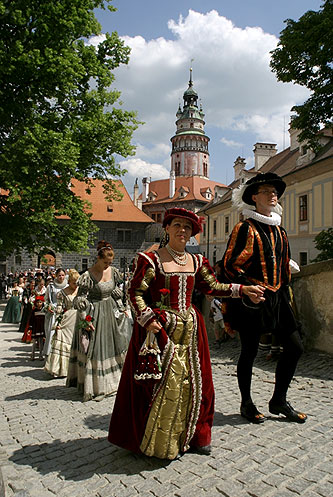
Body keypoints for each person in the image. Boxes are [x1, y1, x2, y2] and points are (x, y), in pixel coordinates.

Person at [108, 207, 264, 460]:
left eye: (188, 227)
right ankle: (154, 440)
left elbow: (213, 287)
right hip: (159, 331)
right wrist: (148, 319)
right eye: (177, 225)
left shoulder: (196, 261)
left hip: (191, 331)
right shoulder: (151, 259)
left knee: (195, 383)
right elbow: (135, 292)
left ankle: (193, 435)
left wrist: (243, 289)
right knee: (158, 384)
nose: (182, 231)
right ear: (167, 228)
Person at [222, 172, 307, 424]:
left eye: (275, 192)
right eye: (267, 192)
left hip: (278, 296)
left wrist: (286, 266)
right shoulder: (244, 228)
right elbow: (229, 265)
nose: (273, 195)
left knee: (295, 347)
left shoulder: (280, 230)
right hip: (254, 299)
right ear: (254, 197)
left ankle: (278, 400)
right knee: (248, 352)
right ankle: (247, 403)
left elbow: (279, 259)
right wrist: (247, 286)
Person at [66, 241, 132, 401]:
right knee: (95, 350)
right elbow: (80, 299)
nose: (107, 266)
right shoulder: (87, 276)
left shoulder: (114, 272)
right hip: (94, 313)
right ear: (98, 258)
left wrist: (120, 304)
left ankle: (111, 384)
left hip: (110, 312)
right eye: (105, 262)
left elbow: (116, 292)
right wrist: (84, 320)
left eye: (109, 263)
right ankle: (95, 386)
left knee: (112, 347)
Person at [44, 269, 80, 378]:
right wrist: (58, 322)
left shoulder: (81, 291)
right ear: (69, 282)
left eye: (77, 283)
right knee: (63, 343)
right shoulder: (62, 293)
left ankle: (77, 369)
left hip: (79, 318)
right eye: (74, 283)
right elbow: (59, 309)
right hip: (67, 319)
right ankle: (61, 369)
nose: (76, 285)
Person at [43, 268, 67, 357]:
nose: (61, 277)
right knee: (51, 333)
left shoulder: (67, 286)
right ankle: (50, 354)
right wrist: (48, 306)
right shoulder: (51, 286)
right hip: (53, 312)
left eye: (62, 275)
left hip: (64, 311)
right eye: (59, 275)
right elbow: (46, 300)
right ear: (56, 276)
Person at [29, 295, 46, 360]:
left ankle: (40, 355)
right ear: (35, 303)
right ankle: (32, 354)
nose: (39, 304)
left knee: (41, 342)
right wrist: (30, 327)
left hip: (41, 328)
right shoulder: (34, 311)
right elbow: (31, 319)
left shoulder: (44, 310)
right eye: (38, 302)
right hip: (35, 328)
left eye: (40, 302)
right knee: (34, 342)